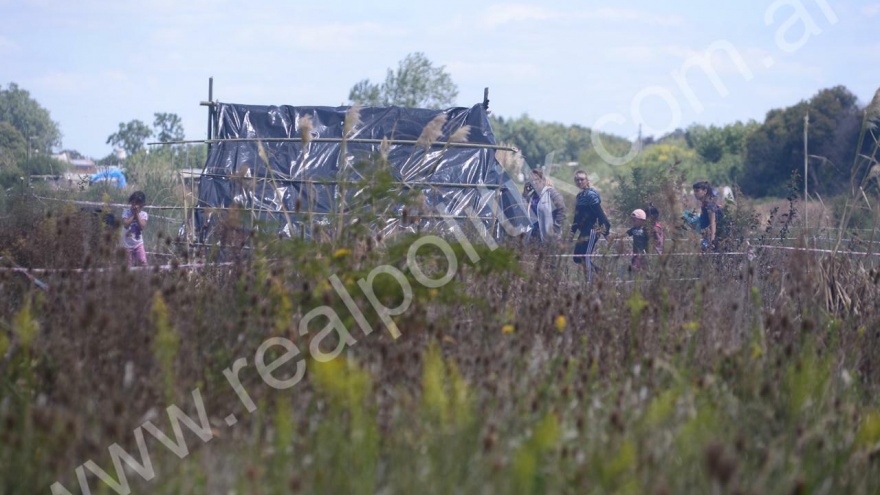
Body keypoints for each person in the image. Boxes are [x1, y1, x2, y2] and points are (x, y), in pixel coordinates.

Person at [568, 171, 611, 282]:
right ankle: (601, 274)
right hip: (584, 230)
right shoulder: (580, 196)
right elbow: (577, 217)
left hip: (593, 230)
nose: (580, 181)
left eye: (582, 179)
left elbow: (600, 214)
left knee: (586, 257)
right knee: (577, 257)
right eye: (577, 180)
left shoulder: (591, 195)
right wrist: (572, 231)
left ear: (587, 181)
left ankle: (590, 283)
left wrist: (606, 232)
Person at [529, 169, 566, 242]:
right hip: (535, 236)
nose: (534, 183)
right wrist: (525, 194)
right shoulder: (532, 196)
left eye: (536, 180)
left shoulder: (550, 192)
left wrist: (555, 228)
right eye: (532, 181)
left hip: (550, 237)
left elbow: (562, 209)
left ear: (543, 180)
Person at [692, 181, 722, 252]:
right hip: (707, 236)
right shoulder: (704, 204)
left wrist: (712, 241)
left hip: (713, 238)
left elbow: (713, 223)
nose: (695, 193)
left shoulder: (709, 205)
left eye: (697, 191)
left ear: (705, 191)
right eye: (694, 191)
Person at [121, 190, 148, 266]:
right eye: (133, 203)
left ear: (141, 205)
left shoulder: (143, 214)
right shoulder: (126, 212)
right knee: (128, 266)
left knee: (143, 264)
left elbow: (142, 226)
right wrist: (133, 215)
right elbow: (126, 224)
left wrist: (137, 214)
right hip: (127, 245)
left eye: (137, 203)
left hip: (138, 244)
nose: (134, 205)